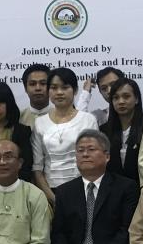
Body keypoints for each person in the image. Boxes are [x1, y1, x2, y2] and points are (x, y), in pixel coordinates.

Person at [32, 67, 100, 205]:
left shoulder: (88, 120)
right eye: (54, 88)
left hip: (83, 191)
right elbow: (37, 168)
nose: (59, 92)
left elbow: (95, 161)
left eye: (65, 87)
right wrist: (54, 199)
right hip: (50, 192)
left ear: (75, 90)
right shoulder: (39, 122)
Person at [99, 77, 143, 181]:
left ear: (136, 99)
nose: (121, 101)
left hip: (142, 187)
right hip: (112, 188)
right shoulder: (103, 131)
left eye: (126, 96)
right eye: (116, 98)